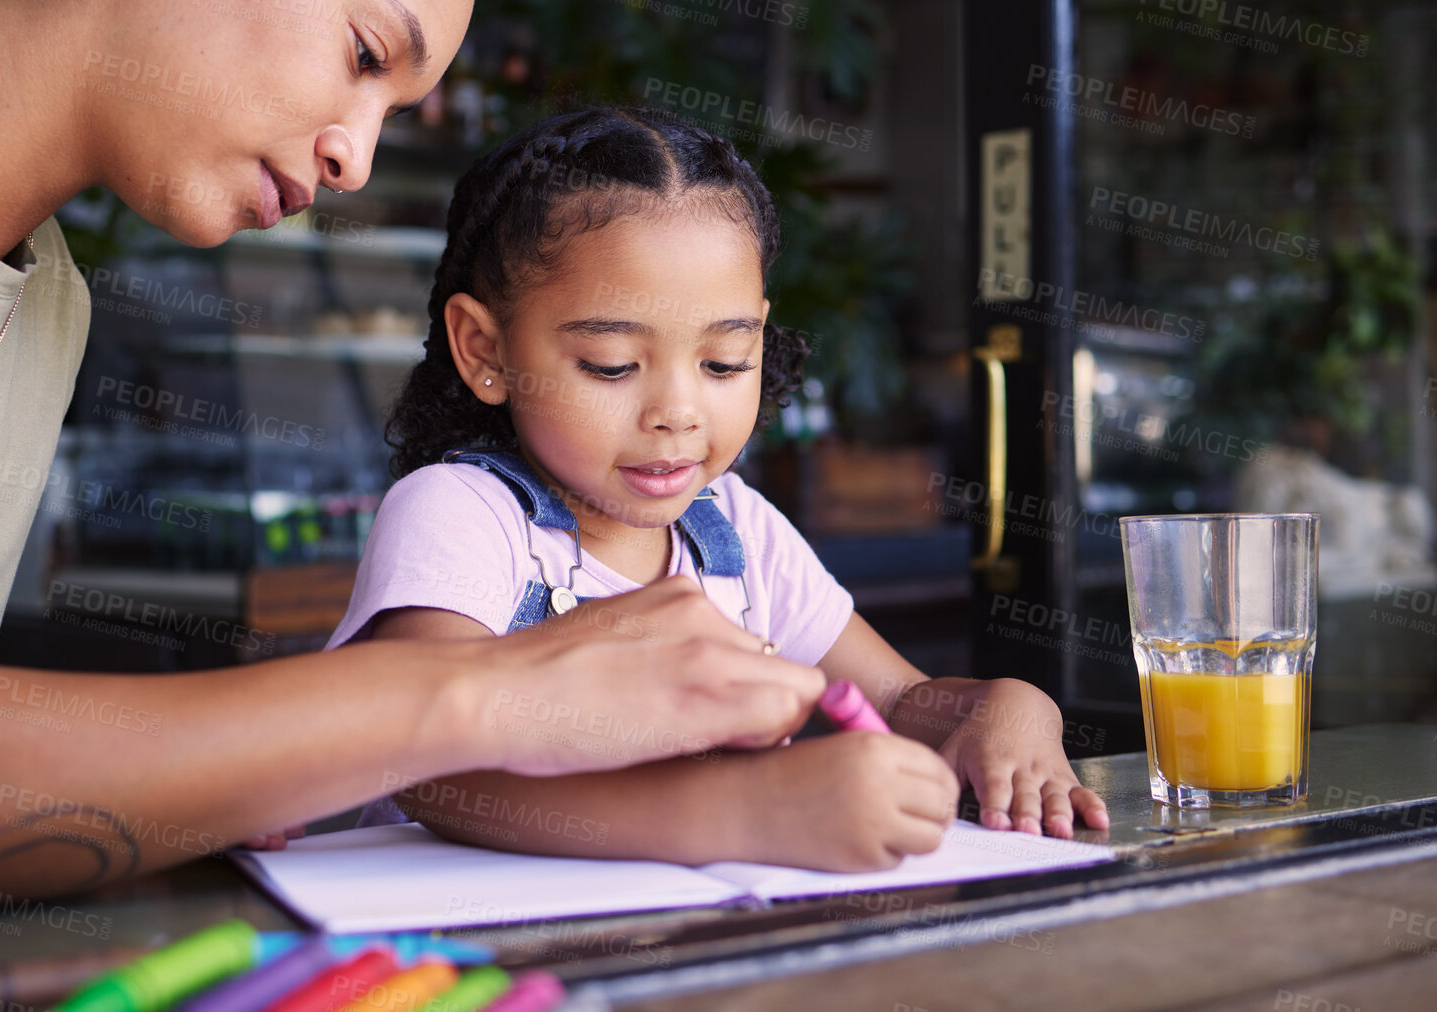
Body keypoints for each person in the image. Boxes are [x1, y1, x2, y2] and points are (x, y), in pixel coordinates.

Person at [0, 0, 825, 913]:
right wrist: (480, 694)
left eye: (394, 114)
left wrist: (239, 761)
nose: (354, 156)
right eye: (362, 54)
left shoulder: (48, 295)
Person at [330, 107, 1111, 871]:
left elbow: (902, 703)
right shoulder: (462, 515)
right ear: (485, 349)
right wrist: (737, 810)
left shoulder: (732, 530)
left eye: (724, 363)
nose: (677, 414)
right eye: (610, 365)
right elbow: (430, 761)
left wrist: (1007, 708)